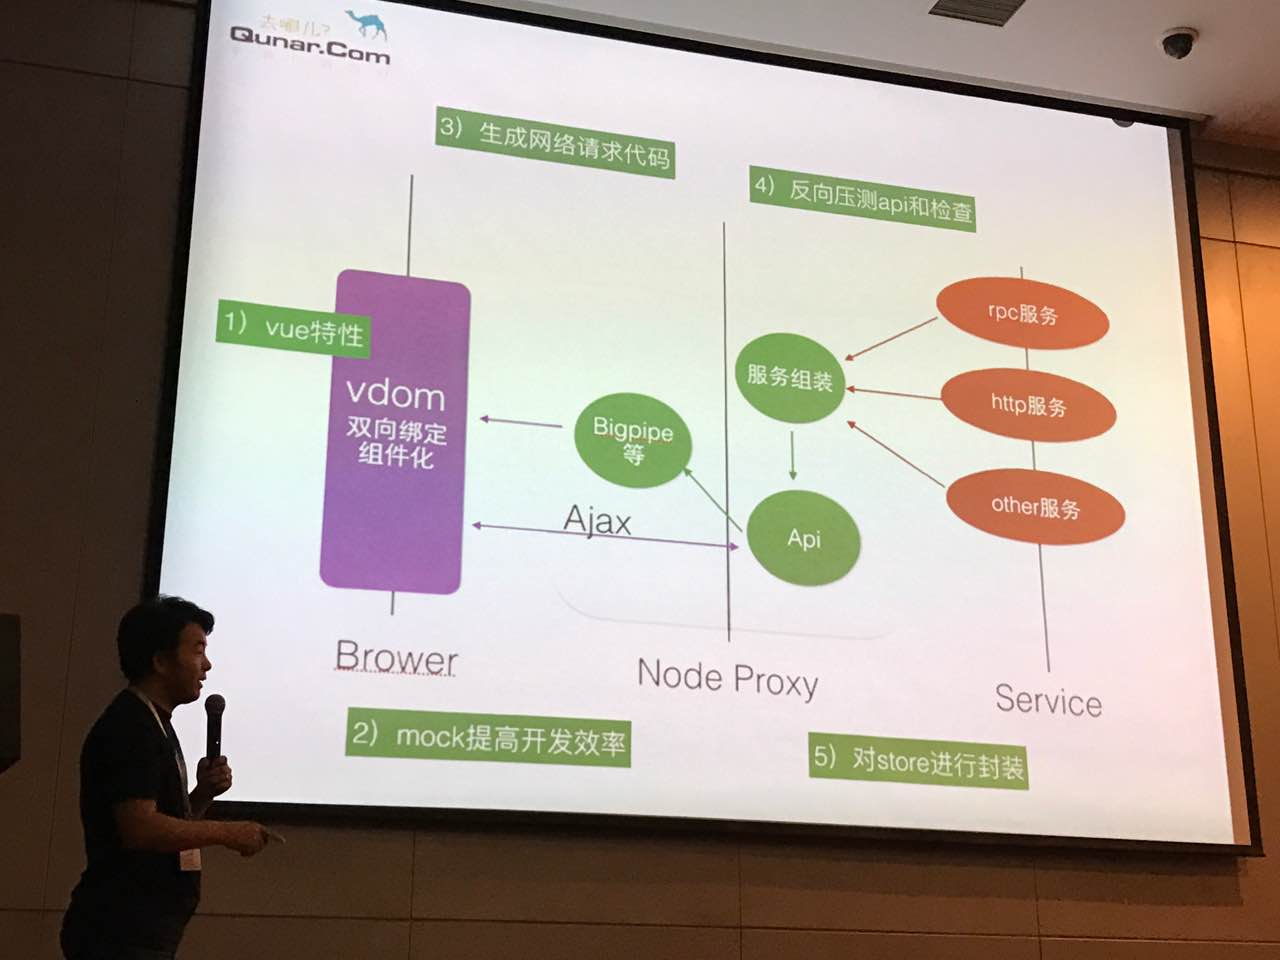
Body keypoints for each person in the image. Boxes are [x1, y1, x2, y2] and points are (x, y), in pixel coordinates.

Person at [61, 596, 278, 960]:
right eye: (197, 650)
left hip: (139, 932)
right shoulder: (131, 726)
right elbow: (140, 828)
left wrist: (202, 795)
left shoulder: (154, 722)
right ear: (160, 661)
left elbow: (159, 823)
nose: (207, 665)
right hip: (118, 931)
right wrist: (229, 833)